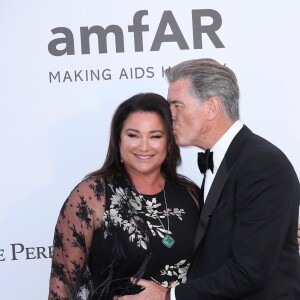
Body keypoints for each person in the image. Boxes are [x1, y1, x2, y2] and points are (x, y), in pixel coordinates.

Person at [116, 58, 300, 300]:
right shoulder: (227, 161)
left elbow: (249, 271)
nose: (169, 116)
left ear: (212, 107)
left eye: (177, 105)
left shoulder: (261, 165)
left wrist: (168, 296)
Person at [48, 92, 201, 300]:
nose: (144, 146)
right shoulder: (93, 194)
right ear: (118, 139)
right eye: (133, 135)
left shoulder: (190, 194)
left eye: (155, 136)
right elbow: (61, 286)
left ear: (169, 142)